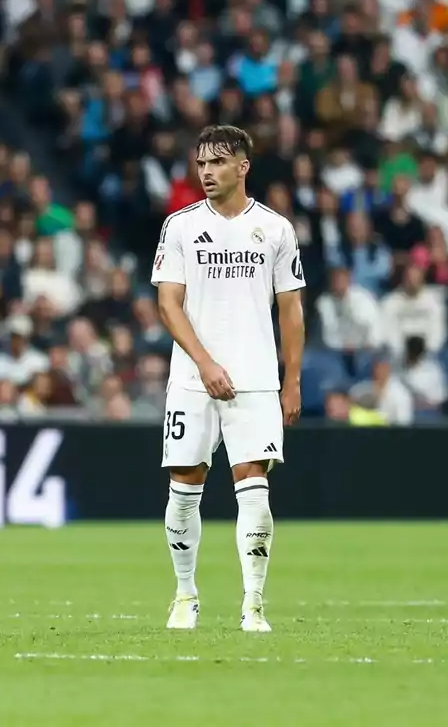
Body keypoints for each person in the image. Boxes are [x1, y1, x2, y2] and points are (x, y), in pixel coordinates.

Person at [150, 125, 305, 632]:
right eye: (200, 164)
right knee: (184, 484)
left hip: (256, 378)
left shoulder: (276, 229)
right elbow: (168, 304)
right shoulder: (179, 227)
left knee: (254, 486)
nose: (206, 173)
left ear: (243, 167)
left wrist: (292, 380)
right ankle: (184, 594)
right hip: (193, 380)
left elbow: (291, 309)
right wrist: (204, 363)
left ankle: (254, 604)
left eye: (217, 163)